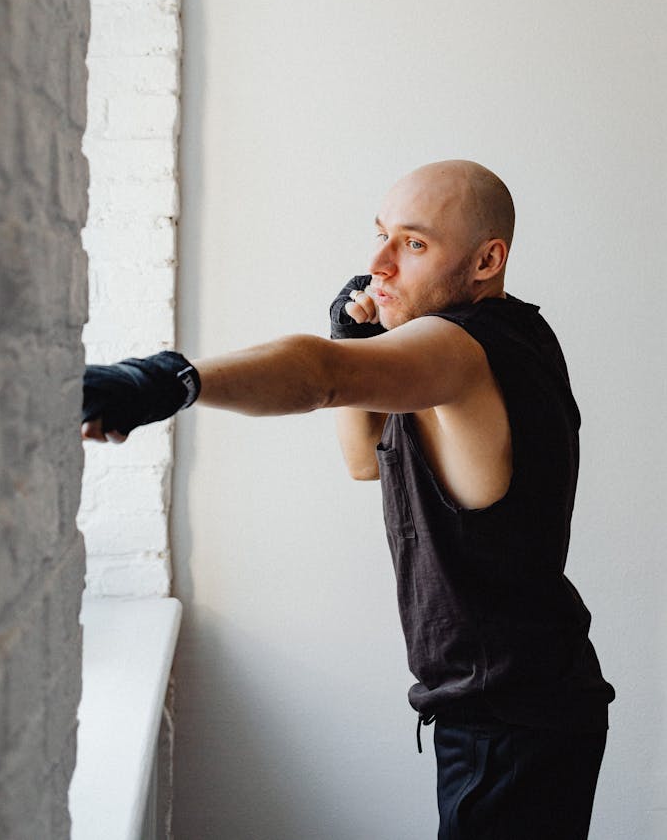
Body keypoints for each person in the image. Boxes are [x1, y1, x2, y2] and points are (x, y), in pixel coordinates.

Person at [81, 159, 614, 840]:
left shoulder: (460, 351)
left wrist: (169, 380)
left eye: (414, 244)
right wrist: (357, 335)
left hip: (511, 724)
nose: (379, 263)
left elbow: (323, 377)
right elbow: (367, 459)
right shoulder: (500, 340)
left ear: (487, 259)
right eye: (381, 235)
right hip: (511, 708)